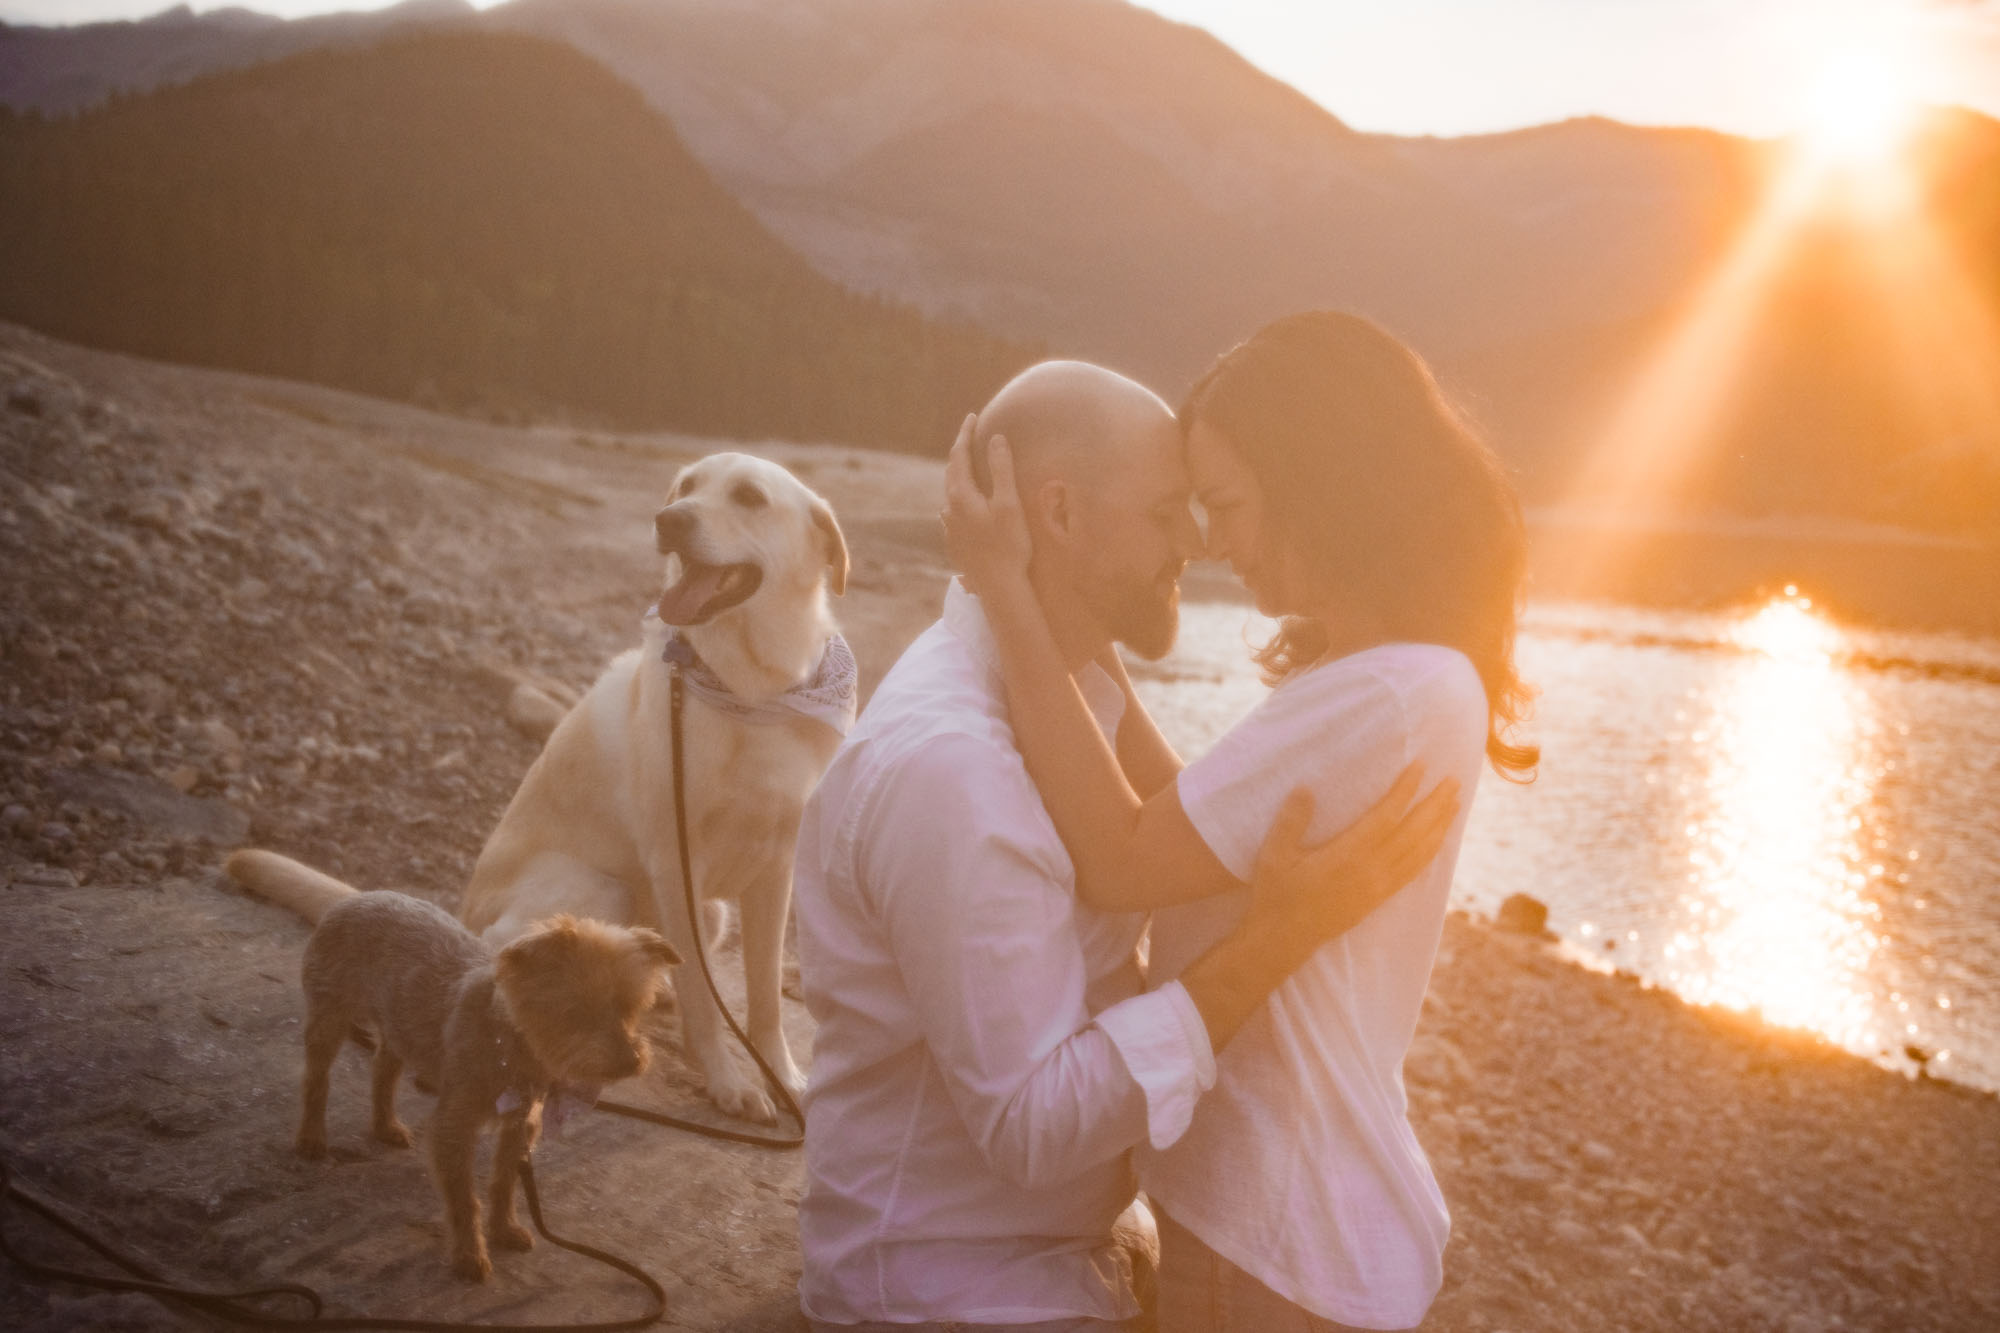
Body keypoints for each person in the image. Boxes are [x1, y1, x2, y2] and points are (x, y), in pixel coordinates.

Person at [793, 359, 1463, 1331]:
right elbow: (1029, 1126)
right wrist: (1277, 938)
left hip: (1054, 1263)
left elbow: (1173, 819)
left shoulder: (1070, 693)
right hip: (952, 1291)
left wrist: (1033, 589)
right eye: (1164, 513)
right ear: (1059, 516)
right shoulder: (955, 769)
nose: (1194, 543)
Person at [942, 312, 1537, 1331]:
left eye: (1223, 504)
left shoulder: (1388, 692)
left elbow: (1122, 857)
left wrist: (1007, 590)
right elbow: (1187, 821)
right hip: (1290, 1211)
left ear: (1319, 489)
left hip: (1274, 1228)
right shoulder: (1390, 671)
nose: (1209, 544)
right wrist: (1080, 606)